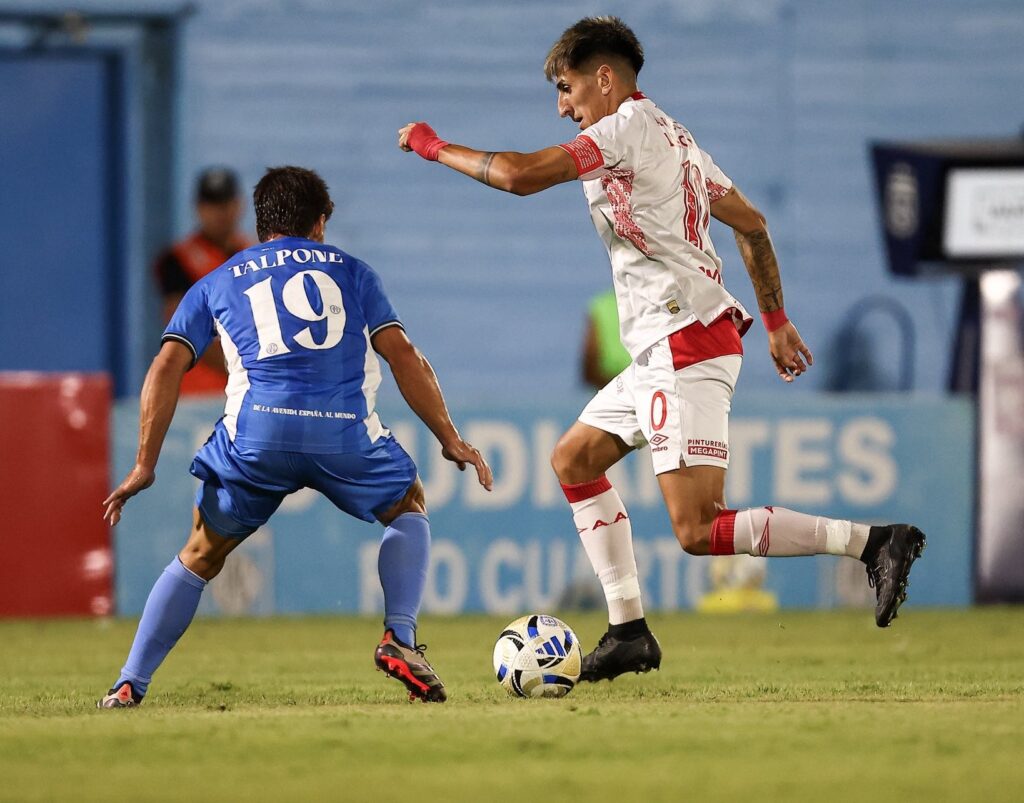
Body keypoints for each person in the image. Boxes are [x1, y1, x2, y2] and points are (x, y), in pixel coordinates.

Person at [398, 16, 925, 682]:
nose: (562, 107)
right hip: (664, 346)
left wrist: (432, 146)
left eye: (566, 88)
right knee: (574, 459)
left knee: (698, 528)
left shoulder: (622, 131)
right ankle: (628, 631)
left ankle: (874, 542)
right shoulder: (677, 139)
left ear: (604, 78)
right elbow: (753, 225)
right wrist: (775, 320)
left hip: (685, 342)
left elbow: (519, 175)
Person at [99, 166, 492, 707]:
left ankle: (129, 682)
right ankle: (399, 638)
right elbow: (403, 355)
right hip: (342, 435)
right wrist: (449, 436)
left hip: (257, 436)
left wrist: (145, 463)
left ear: (261, 222)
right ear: (320, 223)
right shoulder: (355, 273)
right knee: (408, 506)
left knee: (199, 553)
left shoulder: (217, 280)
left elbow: (167, 363)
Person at [153, 167, 253, 395]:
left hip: (247, 393)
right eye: (211, 204)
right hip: (198, 394)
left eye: (225, 203)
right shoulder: (177, 261)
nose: (219, 212)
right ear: (198, 208)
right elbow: (184, 329)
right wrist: (247, 369)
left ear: (239, 204)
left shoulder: (255, 257)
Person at [581, 287, 631, 391]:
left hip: (609, 389)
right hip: (651, 390)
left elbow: (589, 368)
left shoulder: (600, 305)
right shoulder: (657, 304)